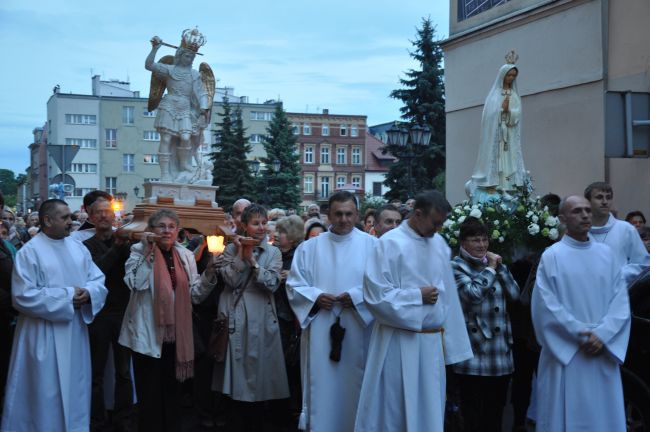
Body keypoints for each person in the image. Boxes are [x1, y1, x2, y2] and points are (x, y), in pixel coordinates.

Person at [356, 190, 472, 432]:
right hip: (398, 343)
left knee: (429, 412)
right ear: (418, 214)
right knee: (395, 410)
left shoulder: (439, 244)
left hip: (431, 347)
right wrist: (416, 296)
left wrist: (453, 346)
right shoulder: (389, 243)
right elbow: (375, 296)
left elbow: (448, 295)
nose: (439, 229)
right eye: (435, 222)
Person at [1, 199, 108, 431]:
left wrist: (89, 292)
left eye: (70, 216)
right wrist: (69, 296)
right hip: (41, 334)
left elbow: (97, 279)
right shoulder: (29, 252)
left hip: (74, 332)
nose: (71, 222)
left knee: (75, 388)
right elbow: (22, 296)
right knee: (43, 393)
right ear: (47, 220)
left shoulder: (77, 248)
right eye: (65, 217)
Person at [531, 195, 630, 431]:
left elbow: (621, 301)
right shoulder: (552, 256)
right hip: (567, 352)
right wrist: (582, 334)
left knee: (603, 418)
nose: (585, 215)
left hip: (602, 350)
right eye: (577, 211)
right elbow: (545, 305)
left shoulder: (607, 255)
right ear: (562, 218)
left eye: (587, 210)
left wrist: (603, 335)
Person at [118, 209, 217, 432]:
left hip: (177, 333)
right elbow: (135, 284)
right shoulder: (137, 252)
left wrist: (209, 274)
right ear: (151, 230)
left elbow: (195, 295)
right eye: (161, 226)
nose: (166, 231)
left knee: (172, 391)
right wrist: (148, 252)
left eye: (171, 226)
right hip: (148, 332)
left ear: (178, 231)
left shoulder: (186, 255)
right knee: (149, 392)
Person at [287, 191, 377, 431]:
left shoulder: (373, 246)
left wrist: (357, 297)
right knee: (323, 387)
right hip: (320, 326)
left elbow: (383, 286)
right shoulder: (309, 248)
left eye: (349, 214)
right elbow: (294, 286)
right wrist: (316, 297)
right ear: (328, 215)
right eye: (338, 214)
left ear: (357, 214)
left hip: (360, 328)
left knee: (355, 387)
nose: (344, 219)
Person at [211, 204, 289, 431]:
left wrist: (254, 263)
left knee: (261, 380)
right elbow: (229, 280)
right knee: (236, 381)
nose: (261, 228)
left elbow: (273, 284)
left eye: (264, 223)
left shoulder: (273, 252)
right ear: (244, 226)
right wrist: (240, 256)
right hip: (236, 319)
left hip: (263, 321)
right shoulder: (229, 250)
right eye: (256, 223)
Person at [451, 217, 519, 432]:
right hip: (474, 353)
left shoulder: (494, 265)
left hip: (500, 353)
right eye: (475, 240)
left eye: (484, 239)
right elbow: (473, 295)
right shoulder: (455, 266)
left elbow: (515, 295)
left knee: (495, 414)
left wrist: (501, 268)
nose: (481, 245)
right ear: (463, 243)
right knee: (473, 416)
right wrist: (490, 269)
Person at [82, 198, 134, 431]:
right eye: (98, 213)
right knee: (96, 371)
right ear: (90, 218)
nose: (104, 216)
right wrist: (117, 247)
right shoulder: (86, 245)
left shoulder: (127, 243)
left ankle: (123, 418)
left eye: (107, 212)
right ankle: (96, 419)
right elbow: (97, 271)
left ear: (114, 216)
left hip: (123, 311)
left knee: (123, 371)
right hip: (99, 315)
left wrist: (124, 245)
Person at [146, 30, 213, 183]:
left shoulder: (194, 74)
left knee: (185, 137)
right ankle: (165, 174)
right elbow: (149, 65)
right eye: (187, 56)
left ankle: (184, 165)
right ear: (180, 55)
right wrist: (155, 48)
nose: (190, 59)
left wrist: (204, 109)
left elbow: (202, 93)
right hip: (169, 105)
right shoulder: (169, 69)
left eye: (192, 57)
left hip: (184, 108)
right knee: (166, 139)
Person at [468, 51, 526, 195]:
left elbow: (517, 114)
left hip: (509, 134)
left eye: (513, 76)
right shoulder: (494, 94)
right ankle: (495, 183)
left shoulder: (514, 95)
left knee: (510, 158)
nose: (511, 78)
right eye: (509, 75)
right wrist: (501, 110)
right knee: (498, 158)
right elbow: (488, 115)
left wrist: (509, 112)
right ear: (503, 75)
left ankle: (510, 184)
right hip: (497, 134)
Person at [275, 215, 305, 426]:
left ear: (292, 236)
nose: (277, 235)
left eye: (282, 232)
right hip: (277, 316)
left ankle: (290, 409)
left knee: (289, 366)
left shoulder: (297, 257)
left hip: (289, 319)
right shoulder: (277, 254)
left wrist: (291, 277)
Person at [585, 182, 649, 272]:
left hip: (621, 284)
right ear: (588, 201)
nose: (605, 202)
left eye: (608, 197)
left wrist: (620, 276)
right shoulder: (581, 231)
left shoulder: (626, 229)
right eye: (599, 197)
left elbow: (642, 263)